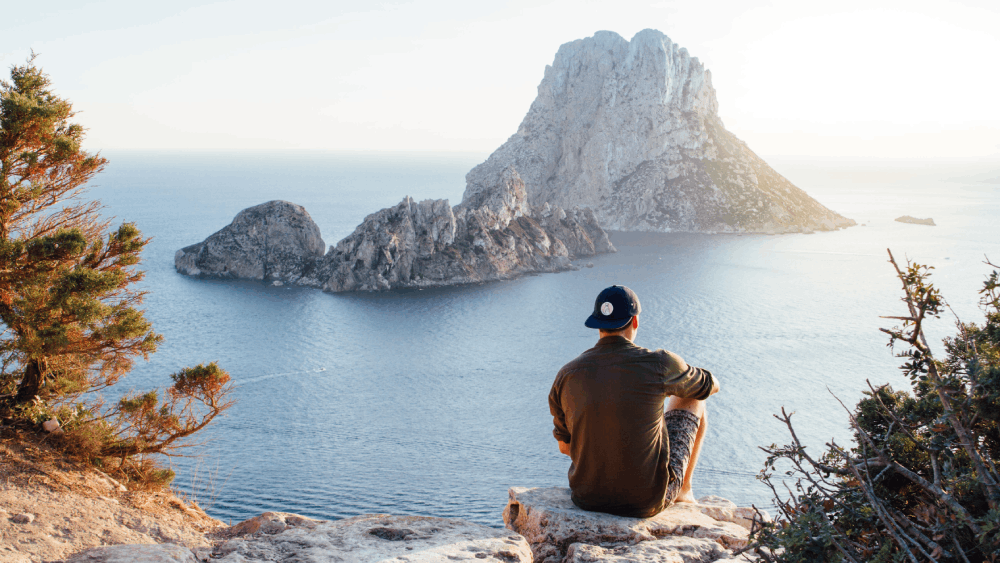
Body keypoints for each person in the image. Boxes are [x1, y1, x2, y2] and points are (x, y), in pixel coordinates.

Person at [548, 285, 719, 518]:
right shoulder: (659, 363)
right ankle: (684, 491)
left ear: (598, 325)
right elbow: (709, 386)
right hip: (645, 501)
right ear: (635, 322)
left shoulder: (566, 374)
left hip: (587, 498)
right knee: (694, 397)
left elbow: (565, 447)